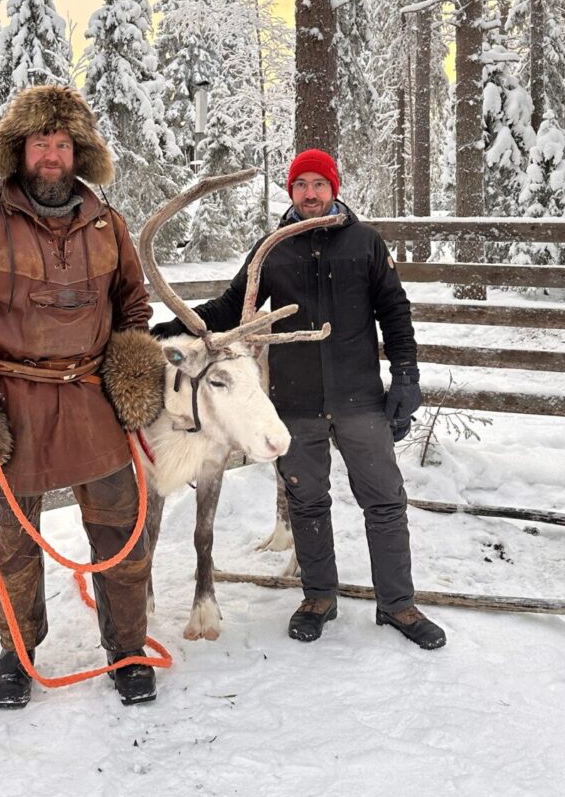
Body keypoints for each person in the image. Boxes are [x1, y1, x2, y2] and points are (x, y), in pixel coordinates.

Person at [0, 85, 158, 707]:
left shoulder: (108, 224)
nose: (52, 154)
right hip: (9, 401)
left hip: (91, 399)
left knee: (122, 531)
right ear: (19, 151)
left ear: (81, 154)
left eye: (63, 143)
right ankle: (17, 654)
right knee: (15, 541)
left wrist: (129, 374)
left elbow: (132, 304)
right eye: (41, 143)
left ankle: (127, 650)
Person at [151, 148, 446, 650]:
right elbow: (230, 305)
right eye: (300, 185)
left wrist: (406, 376)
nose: (310, 194)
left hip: (360, 399)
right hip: (296, 401)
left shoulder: (365, 243)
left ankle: (398, 604)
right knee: (307, 500)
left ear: (334, 188)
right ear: (291, 192)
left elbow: (395, 312)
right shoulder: (272, 249)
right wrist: (171, 327)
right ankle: (318, 598)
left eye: (318, 184)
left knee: (384, 500)